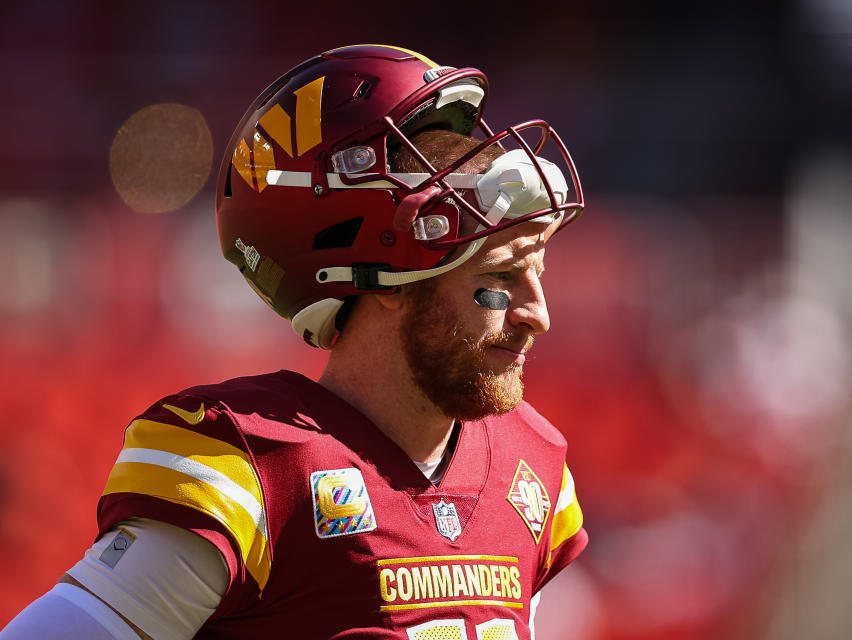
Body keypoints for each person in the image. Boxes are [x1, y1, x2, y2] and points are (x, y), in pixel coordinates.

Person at [0, 44, 588, 639]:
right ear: (389, 279)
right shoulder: (251, 467)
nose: (537, 314)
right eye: (498, 279)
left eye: (537, 272)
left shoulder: (531, 467)